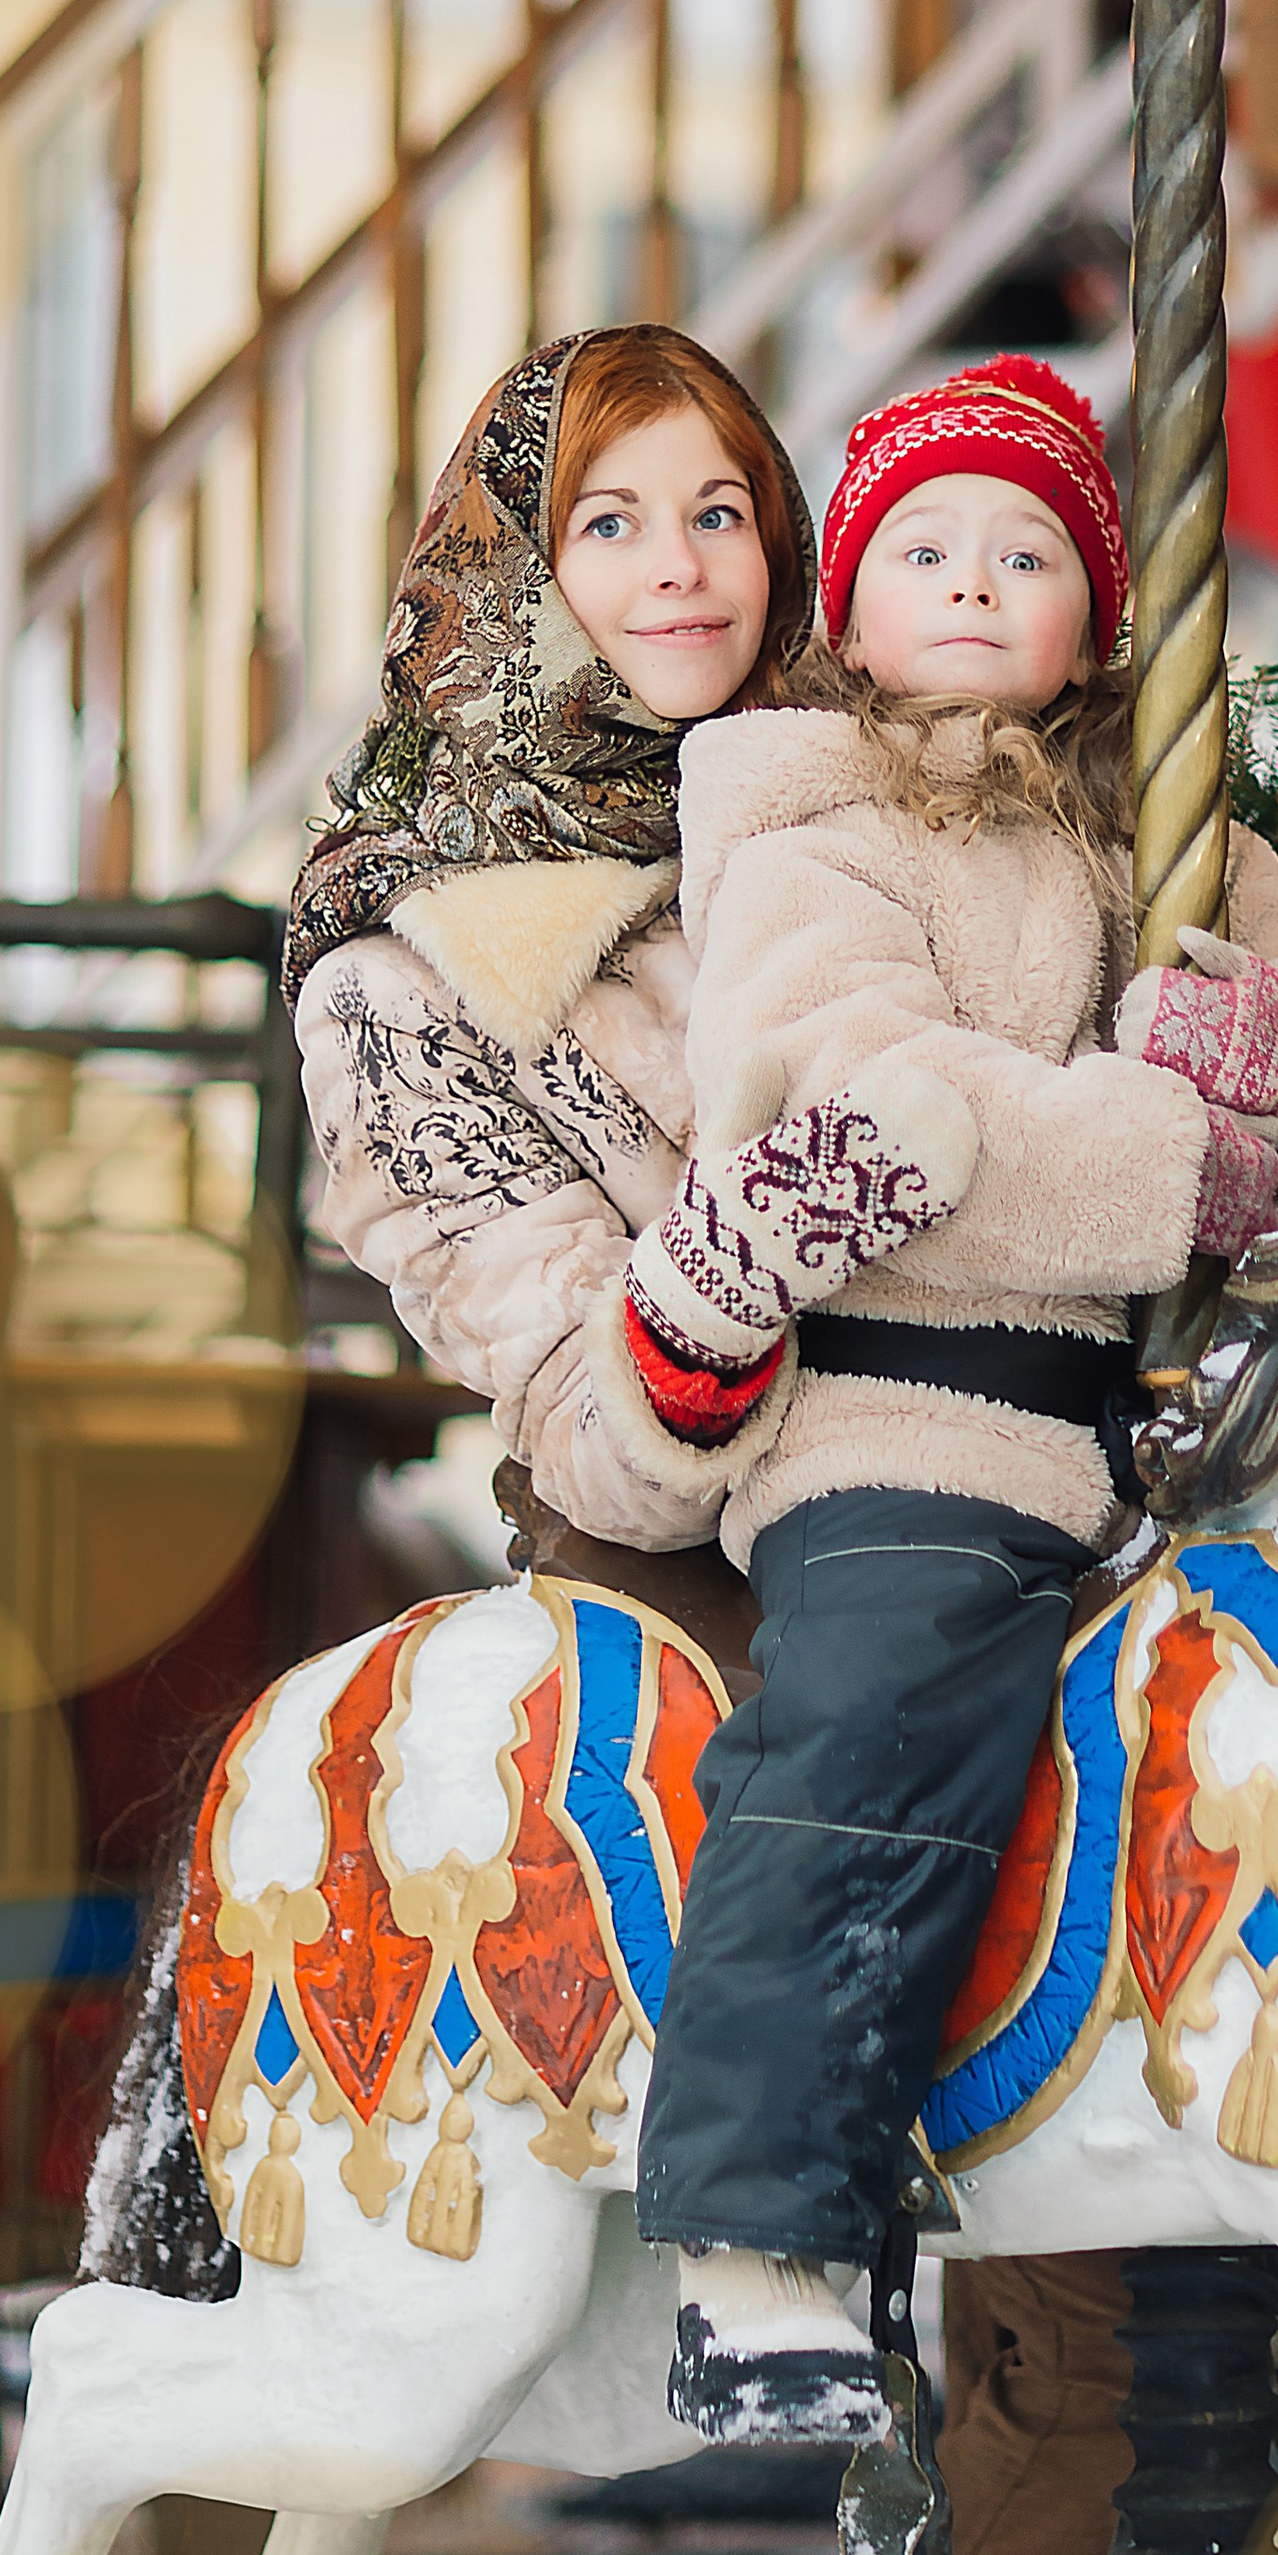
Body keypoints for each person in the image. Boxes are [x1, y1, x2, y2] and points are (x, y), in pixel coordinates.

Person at [616, 354, 1278, 2440]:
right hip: (910, 1412)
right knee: (878, 1714)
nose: (975, 585)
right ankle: (752, 2234)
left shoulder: (1157, 822)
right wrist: (1193, 1161)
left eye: (1030, 549)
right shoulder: (804, 816)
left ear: (1093, 611)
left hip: (1167, 1437)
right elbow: (868, 1099)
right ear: (848, 606)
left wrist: (1273, 1038)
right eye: (927, 548)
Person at [290, 322, 971, 1606]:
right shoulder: (399, 983)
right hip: (721, 1576)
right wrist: (729, 1280)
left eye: (719, 514)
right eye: (609, 525)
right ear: (514, 573)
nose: (680, 568)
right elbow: (583, 1425)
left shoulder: (870, 783)